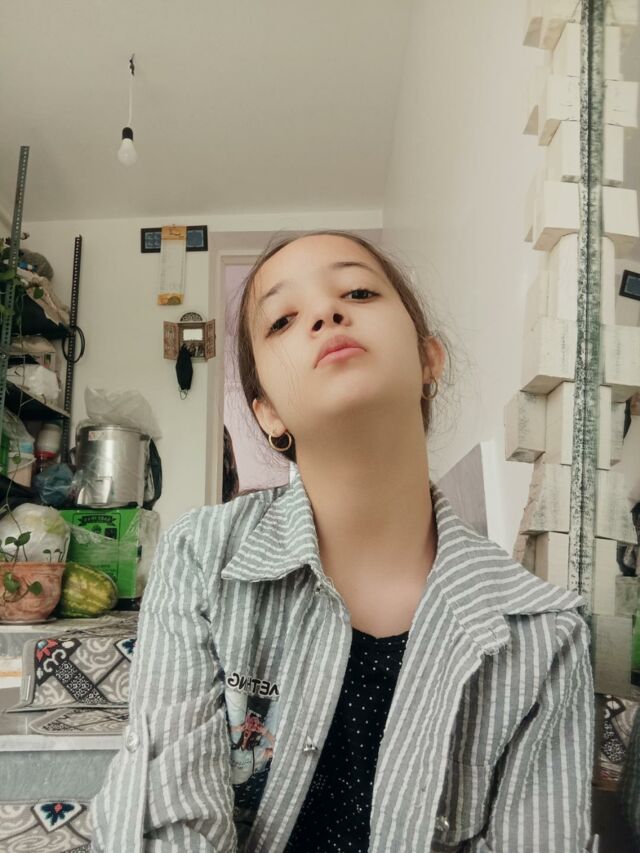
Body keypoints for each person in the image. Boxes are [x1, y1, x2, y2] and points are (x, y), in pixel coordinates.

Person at [89, 230, 599, 852]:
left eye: (357, 292)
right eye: (282, 319)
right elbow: (171, 819)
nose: (327, 313)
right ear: (268, 413)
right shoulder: (201, 557)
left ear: (429, 359)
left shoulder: (545, 636)